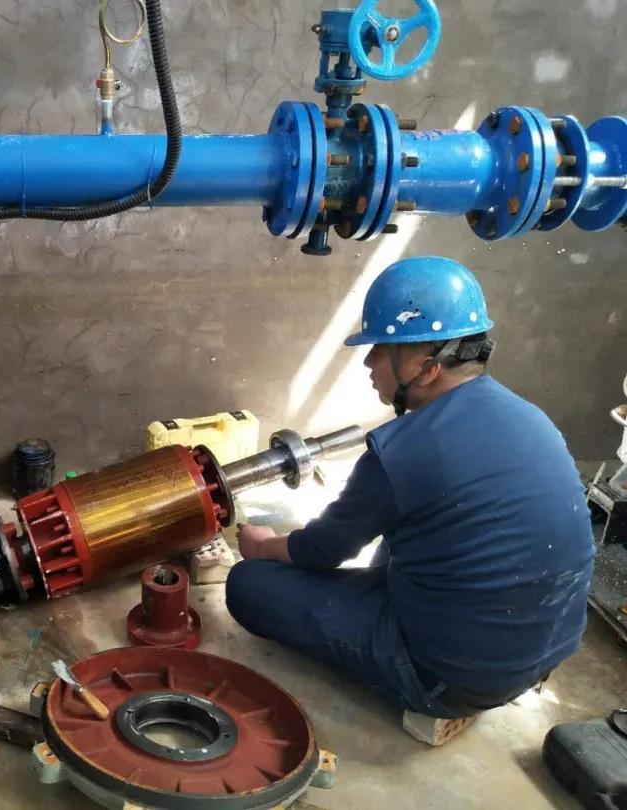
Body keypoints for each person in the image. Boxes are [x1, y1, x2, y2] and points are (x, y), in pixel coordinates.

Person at [226, 256, 594, 741]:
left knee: (249, 584)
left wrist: (263, 544)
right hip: (544, 652)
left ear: (427, 366)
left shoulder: (402, 451)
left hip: (454, 676)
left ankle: (436, 700)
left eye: (381, 349)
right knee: (413, 529)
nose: (367, 362)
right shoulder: (529, 416)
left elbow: (319, 551)